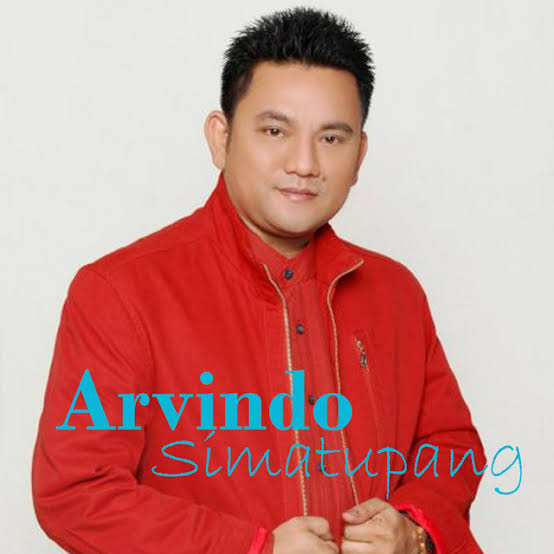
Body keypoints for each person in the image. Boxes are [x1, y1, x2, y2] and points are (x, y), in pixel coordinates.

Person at [32, 6, 486, 554]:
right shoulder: (120, 292)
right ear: (220, 137)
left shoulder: (394, 291)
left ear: (360, 154)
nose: (304, 163)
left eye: (332, 138)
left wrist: (414, 531)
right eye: (275, 131)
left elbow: (450, 445)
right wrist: (252, 548)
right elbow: (77, 492)